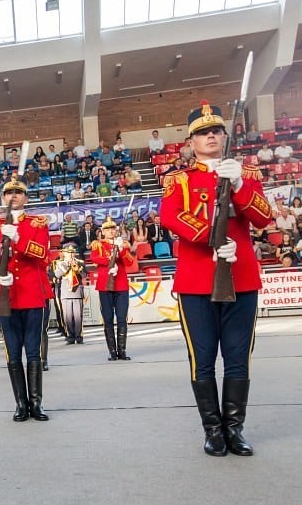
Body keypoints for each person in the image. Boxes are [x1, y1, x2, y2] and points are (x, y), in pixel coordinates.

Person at [160, 99, 271, 457]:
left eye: (215, 131)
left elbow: (264, 218)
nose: (210, 136)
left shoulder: (248, 174)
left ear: (225, 136)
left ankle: (234, 428)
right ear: (190, 142)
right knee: (203, 357)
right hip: (197, 282)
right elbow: (171, 217)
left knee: (239, 357)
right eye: (201, 133)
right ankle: (213, 430)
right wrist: (212, 235)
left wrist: (237, 182)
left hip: (240, 277)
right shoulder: (178, 178)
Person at [0, 175, 51, 422]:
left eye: (18, 192)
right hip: (7, 296)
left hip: (32, 295)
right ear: (3, 198)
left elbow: (43, 255)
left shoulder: (38, 223)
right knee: (12, 352)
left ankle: (36, 403)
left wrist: (19, 239)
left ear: (25, 198)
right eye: (9, 193)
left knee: (33, 352)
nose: (13, 196)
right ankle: (20, 403)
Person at [90, 216, 134, 361]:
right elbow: (95, 258)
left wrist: (120, 249)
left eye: (112, 229)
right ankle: (112, 351)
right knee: (108, 318)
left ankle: (122, 350)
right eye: (107, 229)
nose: (110, 232)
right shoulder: (98, 244)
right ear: (102, 232)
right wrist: (110, 260)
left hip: (121, 285)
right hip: (105, 285)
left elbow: (129, 262)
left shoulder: (123, 244)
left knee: (122, 318)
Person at [53, 243, 85, 344]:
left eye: (72, 253)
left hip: (77, 292)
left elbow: (84, 274)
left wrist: (78, 269)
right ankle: (70, 336)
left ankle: (79, 336)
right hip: (66, 292)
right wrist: (67, 265)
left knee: (78, 316)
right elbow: (57, 274)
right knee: (67, 316)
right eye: (68, 253)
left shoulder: (80, 262)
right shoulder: (60, 263)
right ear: (64, 253)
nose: (70, 255)